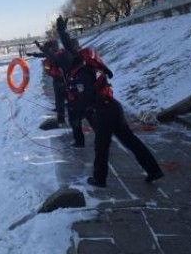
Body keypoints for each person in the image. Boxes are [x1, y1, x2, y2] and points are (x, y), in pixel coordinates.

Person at [54, 15, 164, 187]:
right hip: (112, 107)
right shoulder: (87, 65)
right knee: (131, 142)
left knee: (101, 148)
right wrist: (62, 32)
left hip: (102, 112)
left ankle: (99, 180)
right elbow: (71, 49)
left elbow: (86, 97)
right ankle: (154, 170)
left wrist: (74, 106)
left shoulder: (81, 72)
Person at [28, 40, 68, 126]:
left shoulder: (56, 55)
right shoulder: (55, 53)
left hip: (61, 80)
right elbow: (42, 53)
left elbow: (44, 52)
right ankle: (59, 110)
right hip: (59, 79)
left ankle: (61, 120)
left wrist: (36, 48)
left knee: (60, 98)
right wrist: (33, 53)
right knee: (61, 99)